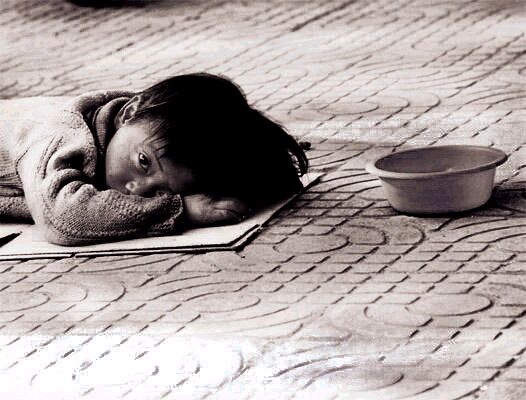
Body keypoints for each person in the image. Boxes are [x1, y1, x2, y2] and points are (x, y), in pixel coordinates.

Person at [0, 73, 308, 245]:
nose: (136, 189)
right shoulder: (61, 133)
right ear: (129, 112)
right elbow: (64, 219)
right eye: (144, 162)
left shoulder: (143, 126)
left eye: (162, 191)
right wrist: (180, 209)